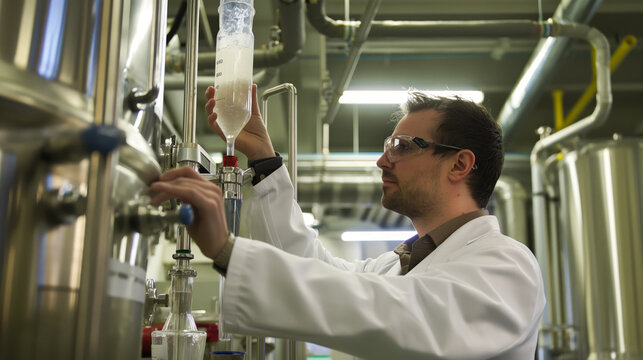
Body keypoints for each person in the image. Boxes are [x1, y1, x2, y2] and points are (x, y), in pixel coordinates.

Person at [150, 84, 546, 359]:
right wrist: (264, 159)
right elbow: (315, 271)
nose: (381, 161)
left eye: (402, 147)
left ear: (459, 164)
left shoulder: (507, 267)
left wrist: (227, 249)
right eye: (388, 146)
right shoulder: (395, 266)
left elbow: (398, 316)